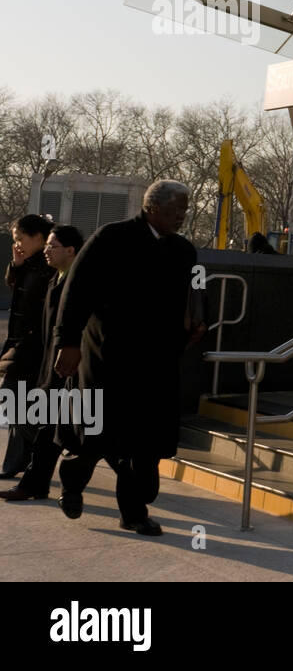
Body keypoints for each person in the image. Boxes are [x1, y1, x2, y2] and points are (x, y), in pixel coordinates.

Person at [51, 181, 203, 534]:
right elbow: (75, 292)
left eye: (184, 209)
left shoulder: (183, 251)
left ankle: (133, 513)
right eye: (175, 210)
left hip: (157, 361)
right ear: (152, 207)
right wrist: (67, 342)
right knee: (96, 434)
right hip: (108, 354)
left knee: (145, 443)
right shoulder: (111, 238)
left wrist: (198, 319)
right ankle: (73, 480)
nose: (182, 216)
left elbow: (196, 291)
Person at [2, 225, 83, 502]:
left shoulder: (79, 281)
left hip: (71, 367)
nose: (48, 251)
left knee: (74, 432)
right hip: (47, 361)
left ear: (70, 250)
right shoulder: (54, 278)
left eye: (53, 246)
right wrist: (17, 265)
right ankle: (33, 481)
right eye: (47, 246)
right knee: (44, 425)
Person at [1, 214, 56, 478]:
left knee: (16, 402)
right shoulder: (30, 264)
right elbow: (14, 286)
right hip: (20, 345)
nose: (18, 243)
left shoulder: (50, 267)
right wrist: (16, 264)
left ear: (38, 237)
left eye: (20, 238)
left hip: (36, 348)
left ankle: (35, 455)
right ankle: (19, 462)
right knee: (15, 403)